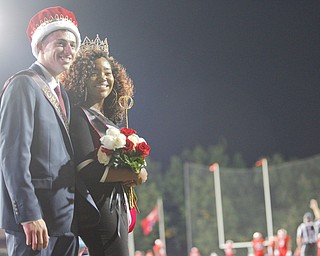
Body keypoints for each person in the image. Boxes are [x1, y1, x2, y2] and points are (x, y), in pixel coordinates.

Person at [0, 6, 83, 256]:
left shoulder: (62, 96)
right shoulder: (23, 84)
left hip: (64, 222)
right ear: (39, 47)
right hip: (37, 224)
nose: (68, 51)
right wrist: (28, 214)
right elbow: (13, 157)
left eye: (72, 44)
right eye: (60, 43)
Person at [63, 35, 148, 256]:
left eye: (108, 73)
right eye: (94, 72)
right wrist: (131, 173)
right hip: (98, 210)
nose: (102, 78)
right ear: (81, 78)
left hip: (114, 207)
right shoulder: (78, 116)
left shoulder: (107, 120)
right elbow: (86, 170)